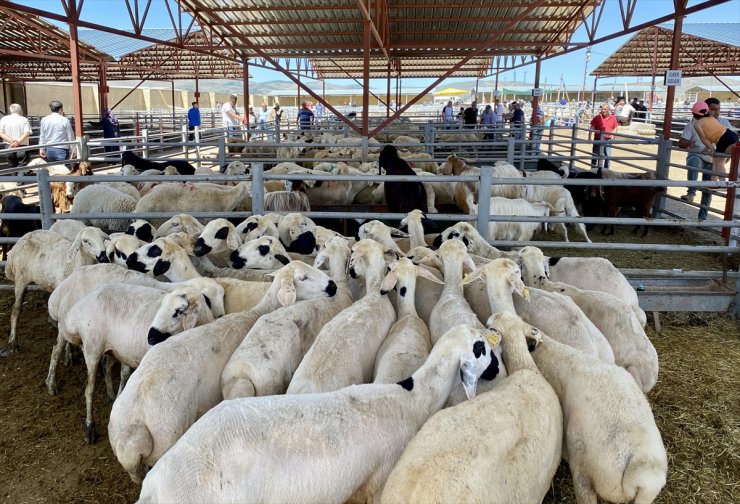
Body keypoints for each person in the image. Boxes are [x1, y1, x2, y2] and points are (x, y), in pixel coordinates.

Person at [678, 98, 731, 219]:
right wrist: (687, 143)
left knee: (708, 189)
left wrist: (725, 158)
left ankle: (703, 217)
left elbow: (729, 141)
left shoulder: (724, 123)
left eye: (718, 109)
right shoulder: (694, 123)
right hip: (698, 154)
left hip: (714, 159)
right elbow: (681, 141)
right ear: (705, 109)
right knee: (693, 161)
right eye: (713, 109)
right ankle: (691, 192)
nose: (716, 112)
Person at [691, 100, 739, 182]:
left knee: (719, 162)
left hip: (723, 140)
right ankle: (713, 182)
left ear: (694, 114)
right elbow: (712, 136)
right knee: (715, 160)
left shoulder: (697, 124)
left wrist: (712, 149)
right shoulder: (711, 118)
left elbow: (704, 138)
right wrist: (707, 148)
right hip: (730, 135)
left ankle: (723, 183)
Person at [0, 103, 32, 171]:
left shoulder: (4, 119)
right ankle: (20, 181)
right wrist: (17, 142)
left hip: (9, 146)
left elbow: (1, 133)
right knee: (23, 166)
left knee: (12, 166)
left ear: (10, 110)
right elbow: (27, 133)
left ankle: (15, 179)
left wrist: (12, 141)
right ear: (20, 110)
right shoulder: (24, 119)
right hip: (22, 145)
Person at [589, 103, 618, 169]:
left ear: (608, 110)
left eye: (605, 109)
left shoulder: (613, 118)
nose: (603, 111)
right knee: (595, 155)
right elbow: (592, 127)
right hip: (597, 139)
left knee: (607, 156)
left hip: (607, 140)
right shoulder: (597, 117)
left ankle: (606, 171)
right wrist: (589, 137)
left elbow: (615, 127)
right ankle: (593, 170)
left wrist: (613, 135)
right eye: (602, 109)